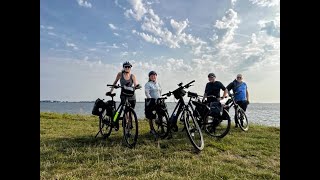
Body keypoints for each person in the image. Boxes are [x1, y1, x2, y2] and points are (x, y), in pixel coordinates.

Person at [107, 61, 140, 130]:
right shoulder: (120, 74)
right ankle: (125, 124)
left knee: (131, 112)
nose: (127, 68)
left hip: (132, 96)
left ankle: (128, 124)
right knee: (124, 111)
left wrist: (137, 86)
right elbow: (115, 82)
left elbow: (135, 83)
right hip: (124, 95)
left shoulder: (132, 76)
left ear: (130, 68)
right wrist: (111, 91)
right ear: (123, 67)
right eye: (126, 66)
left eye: (129, 67)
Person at [144, 71, 162, 136]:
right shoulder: (148, 84)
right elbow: (147, 92)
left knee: (161, 114)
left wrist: (160, 97)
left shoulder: (158, 83)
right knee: (151, 116)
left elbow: (160, 92)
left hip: (159, 101)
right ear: (149, 77)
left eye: (154, 75)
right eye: (151, 75)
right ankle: (152, 129)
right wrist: (150, 98)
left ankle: (161, 127)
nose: (153, 76)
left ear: (156, 76)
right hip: (152, 101)